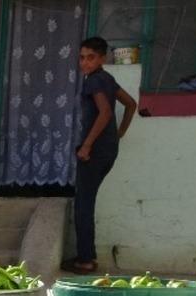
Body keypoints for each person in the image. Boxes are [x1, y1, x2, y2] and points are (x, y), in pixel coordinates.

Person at [63, 36, 137, 274]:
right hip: (108, 151)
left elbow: (104, 113)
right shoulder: (107, 79)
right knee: (86, 201)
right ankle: (86, 256)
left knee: (83, 204)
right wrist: (120, 133)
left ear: (102, 58)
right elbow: (130, 104)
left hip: (94, 152)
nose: (85, 63)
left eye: (91, 58)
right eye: (82, 58)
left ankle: (86, 259)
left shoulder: (94, 81)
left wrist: (86, 146)